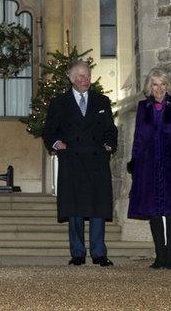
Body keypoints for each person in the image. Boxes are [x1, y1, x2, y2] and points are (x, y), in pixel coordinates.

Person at [43, 60, 118, 266]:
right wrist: (58, 144)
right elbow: (49, 131)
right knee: (74, 209)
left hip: (96, 160)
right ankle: (77, 253)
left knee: (98, 208)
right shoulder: (59, 103)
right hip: (72, 161)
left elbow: (111, 130)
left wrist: (109, 145)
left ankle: (99, 252)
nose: (85, 80)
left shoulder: (102, 101)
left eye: (88, 76)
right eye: (81, 76)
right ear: (71, 78)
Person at [126, 68, 171, 270]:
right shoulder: (143, 107)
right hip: (149, 163)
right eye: (155, 84)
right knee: (154, 210)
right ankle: (160, 255)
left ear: (168, 86)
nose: (159, 88)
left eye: (162, 84)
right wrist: (135, 160)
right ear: (150, 86)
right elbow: (138, 137)